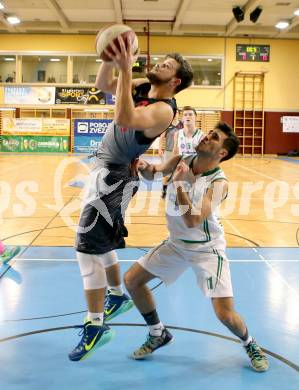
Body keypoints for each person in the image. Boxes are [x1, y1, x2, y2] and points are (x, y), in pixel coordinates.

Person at [69, 33, 193, 361]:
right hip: (105, 171)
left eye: (166, 65)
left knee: (85, 247)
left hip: (115, 178)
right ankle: (116, 296)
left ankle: (96, 325)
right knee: (98, 242)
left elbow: (124, 117)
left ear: (175, 80)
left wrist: (125, 70)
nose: (158, 64)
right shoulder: (140, 85)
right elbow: (102, 83)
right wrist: (112, 57)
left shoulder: (164, 111)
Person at [124, 122, 269, 372]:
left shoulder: (218, 183)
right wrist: (143, 166)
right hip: (177, 245)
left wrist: (179, 184)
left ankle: (250, 342)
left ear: (222, 153)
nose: (207, 137)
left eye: (214, 137)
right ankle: (158, 333)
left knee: (225, 314)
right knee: (132, 280)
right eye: (209, 133)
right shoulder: (183, 159)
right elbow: (154, 172)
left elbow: (192, 220)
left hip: (207, 250)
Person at [158, 111, 183, 198]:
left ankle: (177, 193)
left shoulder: (182, 125)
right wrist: (160, 148)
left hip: (180, 153)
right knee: (167, 174)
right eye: (174, 113)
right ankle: (164, 191)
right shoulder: (167, 125)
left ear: (179, 115)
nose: (175, 115)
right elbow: (161, 137)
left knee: (179, 174)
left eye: (177, 113)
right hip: (168, 152)